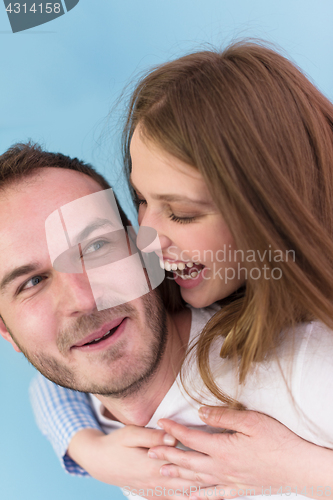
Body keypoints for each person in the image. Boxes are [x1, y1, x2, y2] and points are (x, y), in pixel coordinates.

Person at [30, 39, 333, 497]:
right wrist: (87, 449)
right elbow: (56, 372)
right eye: (143, 201)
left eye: (183, 213)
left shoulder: (313, 360)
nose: (147, 236)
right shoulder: (177, 299)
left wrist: (300, 469)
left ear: (270, 210)